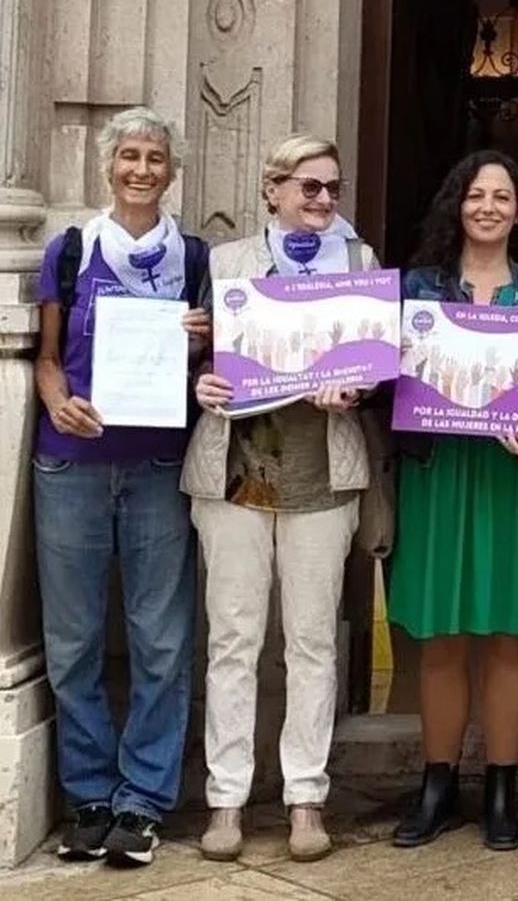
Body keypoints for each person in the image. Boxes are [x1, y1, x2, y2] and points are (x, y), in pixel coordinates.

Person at [188, 135, 378, 864]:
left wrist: (358, 387)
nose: (323, 202)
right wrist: (195, 382)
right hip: (239, 470)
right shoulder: (225, 262)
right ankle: (227, 798)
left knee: (312, 642)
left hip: (322, 473)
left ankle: (306, 796)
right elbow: (194, 352)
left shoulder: (359, 266)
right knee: (233, 639)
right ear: (273, 190)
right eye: (309, 188)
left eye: (333, 189)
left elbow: (385, 367)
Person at [32, 108, 209, 868]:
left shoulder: (193, 259)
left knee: (161, 640)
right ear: (110, 167)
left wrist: (206, 340)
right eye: (130, 156)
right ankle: (90, 795)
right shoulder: (70, 250)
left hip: (157, 466)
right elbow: (46, 357)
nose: (142, 168)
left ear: (172, 171)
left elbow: (214, 375)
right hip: (70, 462)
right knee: (72, 642)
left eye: (156, 158)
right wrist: (54, 398)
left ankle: (142, 801)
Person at [388, 151, 518, 853]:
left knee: (507, 636)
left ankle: (501, 788)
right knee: (440, 635)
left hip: (514, 481)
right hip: (440, 471)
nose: (488, 206)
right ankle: (437, 785)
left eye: (502, 196)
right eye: (475, 195)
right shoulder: (416, 290)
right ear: (455, 205)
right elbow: (383, 382)